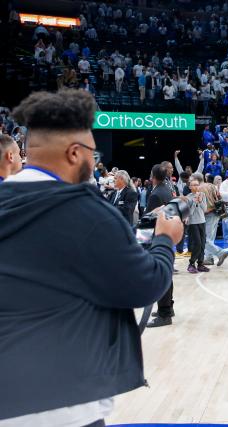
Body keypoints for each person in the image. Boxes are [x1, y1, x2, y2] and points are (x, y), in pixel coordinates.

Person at [0, 89, 183, 425]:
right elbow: (145, 286)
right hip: (63, 404)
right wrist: (164, 241)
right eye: (91, 153)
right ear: (74, 153)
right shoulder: (86, 212)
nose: (94, 162)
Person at [146, 163, 179, 327]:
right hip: (170, 235)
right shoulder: (168, 189)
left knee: (161, 275)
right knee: (167, 273)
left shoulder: (156, 194)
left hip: (159, 238)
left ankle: (165, 314)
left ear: (153, 176)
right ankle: (167, 308)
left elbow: (150, 222)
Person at [202, 174, 228, 266]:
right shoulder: (215, 187)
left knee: (204, 238)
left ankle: (220, 253)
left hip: (208, 214)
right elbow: (220, 198)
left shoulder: (203, 187)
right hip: (217, 213)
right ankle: (209, 258)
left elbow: (204, 203)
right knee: (210, 238)